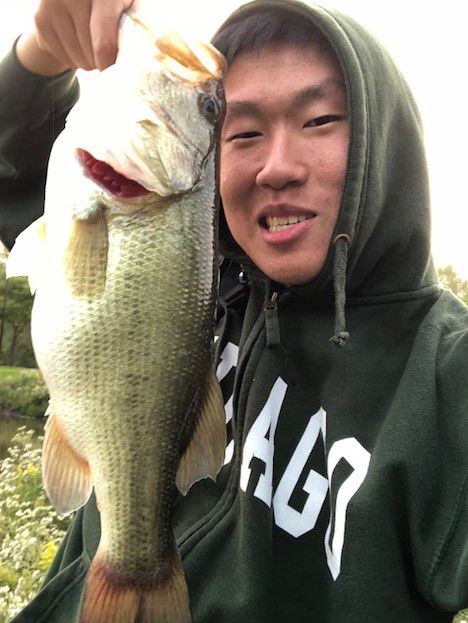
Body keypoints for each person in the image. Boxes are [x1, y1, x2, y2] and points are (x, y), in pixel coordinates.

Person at [0, 0, 467, 621]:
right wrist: (40, 52)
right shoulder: (198, 276)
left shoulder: (444, 373)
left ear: (386, 136)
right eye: (241, 132)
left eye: (320, 119)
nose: (277, 167)